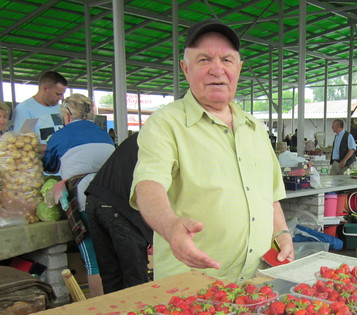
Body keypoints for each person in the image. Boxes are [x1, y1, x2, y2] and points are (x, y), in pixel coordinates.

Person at [129, 19, 293, 282]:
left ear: (238, 69)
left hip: (255, 281)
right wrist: (172, 227)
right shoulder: (165, 123)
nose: (217, 70)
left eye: (227, 60)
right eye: (204, 60)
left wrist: (282, 233)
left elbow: (270, 195)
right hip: (192, 285)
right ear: (185, 68)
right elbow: (148, 186)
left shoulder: (254, 128)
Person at [42, 93, 115, 297]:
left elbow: (49, 166)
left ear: (66, 115)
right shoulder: (104, 134)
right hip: (112, 197)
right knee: (113, 254)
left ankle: (99, 311)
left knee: (93, 261)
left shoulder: (59, 136)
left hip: (83, 199)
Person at [85, 132, 153, 294]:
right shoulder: (168, 138)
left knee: (111, 276)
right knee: (135, 281)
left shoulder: (146, 133)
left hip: (95, 199)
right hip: (121, 209)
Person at [13, 71, 68, 144]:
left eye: (62, 94)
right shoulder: (24, 109)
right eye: (58, 94)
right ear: (45, 89)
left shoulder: (60, 108)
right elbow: (23, 143)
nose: (61, 98)